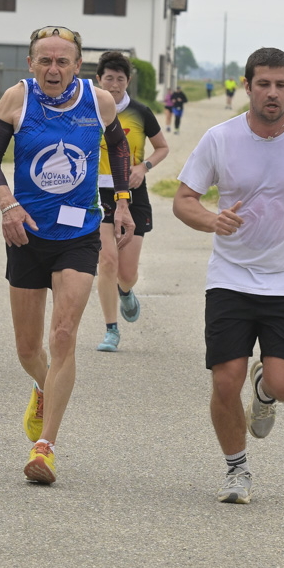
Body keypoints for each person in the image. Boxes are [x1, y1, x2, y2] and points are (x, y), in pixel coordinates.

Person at [173, 47, 284, 505]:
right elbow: (184, 200)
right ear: (247, 86)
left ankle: (265, 390)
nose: (272, 93)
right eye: (263, 84)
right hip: (231, 276)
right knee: (225, 380)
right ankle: (237, 469)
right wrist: (213, 220)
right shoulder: (220, 138)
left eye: (281, 85)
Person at [0, 26, 134, 484]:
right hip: (26, 233)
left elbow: (119, 146)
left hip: (79, 234)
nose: (53, 69)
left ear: (78, 65)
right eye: (44, 60)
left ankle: (45, 448)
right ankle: (43, 385)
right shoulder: (16, 98)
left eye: (62, 61)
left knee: (63, 334)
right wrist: (7, 204)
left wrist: (121, 200)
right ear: (31, 63)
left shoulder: (98, 101)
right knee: (29, 349)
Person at [92, 52, 169, 352]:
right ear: (99, 79)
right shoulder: (88, 110)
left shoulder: (140, 112)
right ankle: (111, 330)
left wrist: (143, 167)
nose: (114, 85)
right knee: (107, 261)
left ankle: (126, 292)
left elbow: (162, 148)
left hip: (134, 192)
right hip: (97, 193)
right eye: (109, 78)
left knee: (126, 273)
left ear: (129, 81)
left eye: (120, 79)